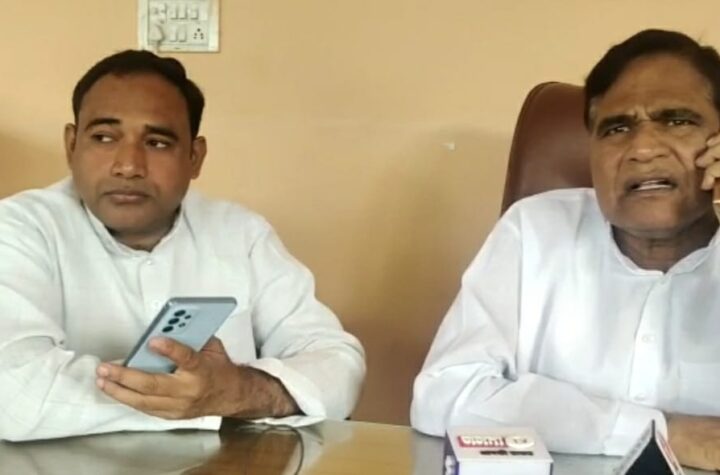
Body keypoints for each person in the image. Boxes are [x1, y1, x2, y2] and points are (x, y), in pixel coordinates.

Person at [0, 50, 365, 442]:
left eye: (157, 143)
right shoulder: (19, 229)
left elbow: (337, 361)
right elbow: (14, 395)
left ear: (194, 157)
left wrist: (241, 390)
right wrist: (201, 400)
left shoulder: (240, 233)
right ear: (72, 145)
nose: (128, 165)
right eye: (104, 138)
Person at [411, 29, 720, 471]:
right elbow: (444, 393)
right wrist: (660, 431)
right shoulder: (535, 231)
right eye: (617, 128)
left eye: (677, 120)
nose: (643, 148)